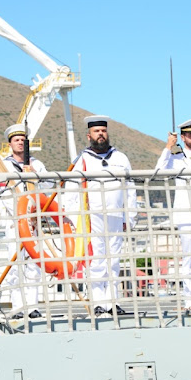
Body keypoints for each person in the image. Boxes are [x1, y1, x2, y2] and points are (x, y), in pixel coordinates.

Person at [65, 115, 137, 316]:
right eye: (96, 132)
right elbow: (71, 189)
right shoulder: (82, 160)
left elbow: (129, 189)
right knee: (96, 260)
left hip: (115, 216)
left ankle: (112, 302)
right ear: (89, 135)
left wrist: (129, 217)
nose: (101, 135)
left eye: (103, 131)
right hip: (91, 217)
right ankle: (98, 302)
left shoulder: (120, 158)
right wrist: (74, 218)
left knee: (113, 260)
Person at [155, 118, 191, 310]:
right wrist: (168, 147)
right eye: (189, 134)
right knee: (190, 258)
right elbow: (158, 171)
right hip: (186, 215)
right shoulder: (176, 157)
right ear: (183, 137)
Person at [0, 123, 50, 319]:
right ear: (10, 144)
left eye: (23, 140)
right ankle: (18, 307)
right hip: (14, 220)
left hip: (34, 220)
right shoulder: (3, 165)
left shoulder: (37, 164)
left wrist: (33, 175)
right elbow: (1, 193)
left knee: (34, 264)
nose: (20, 143)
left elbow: (46, 187)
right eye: (16, 140)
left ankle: (33, 306)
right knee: (15, 264)